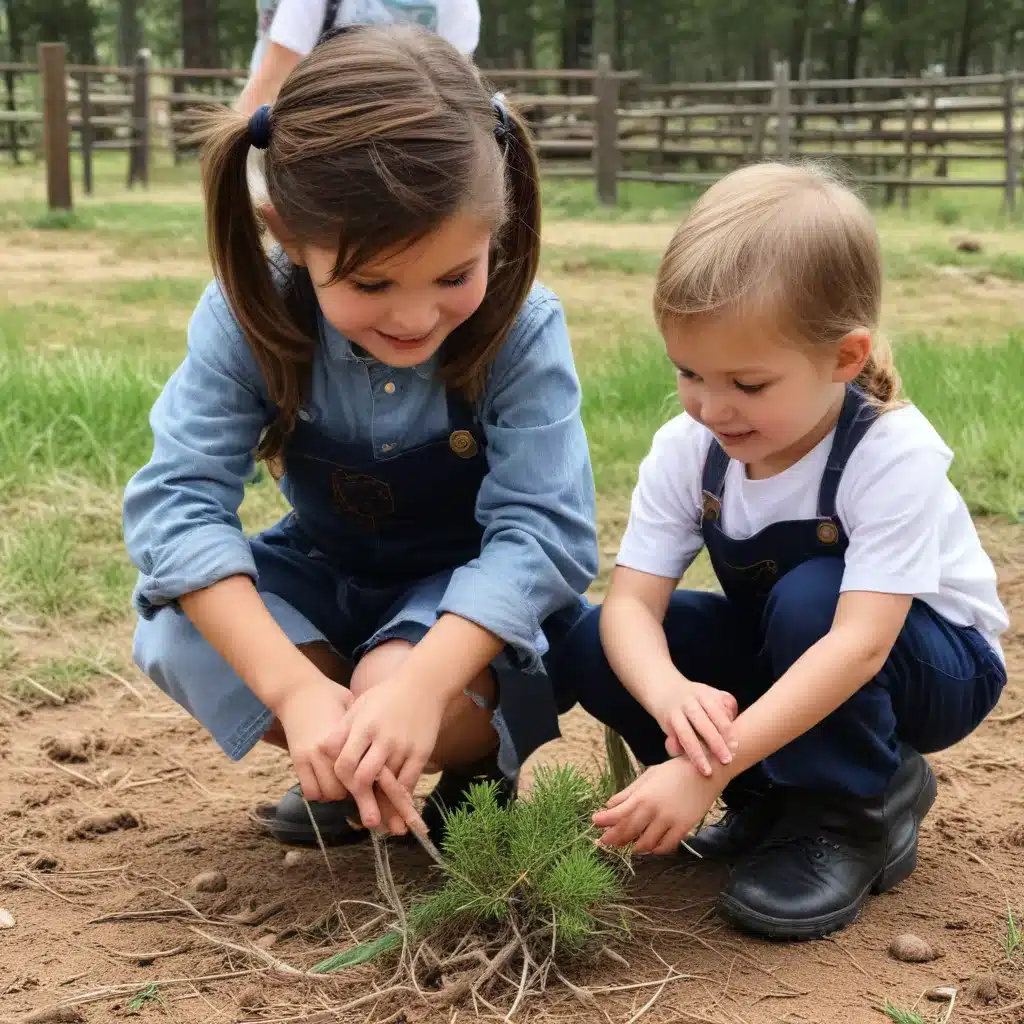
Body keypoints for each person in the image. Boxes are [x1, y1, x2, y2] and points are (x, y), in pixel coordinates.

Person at [123, 24, 597, 849]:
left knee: (398, 677)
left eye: (455, 276)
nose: (415, 317)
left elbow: (543, 535)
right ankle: (351, 755)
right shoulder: (247, 316)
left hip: (460, 600)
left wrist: (416, 690)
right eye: (370, 282)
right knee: (177, 629)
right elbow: (175, 509)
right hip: (323, 569)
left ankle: (470, 761)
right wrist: (297, 697)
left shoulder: (523, 330)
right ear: (288, 234)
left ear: (499, 220)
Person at [560, 162, 1008, 940]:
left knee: (812, 598)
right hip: (796, 643)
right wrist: (671, 697)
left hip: (932, 666)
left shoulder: (888, 452)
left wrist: (707, 765)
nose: (711, 405)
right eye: (688, 372)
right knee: (595, 640)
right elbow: (632, 603)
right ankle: (769, 800)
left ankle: (848, 814)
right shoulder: (689, 449)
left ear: (844, 357)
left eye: (749, 383)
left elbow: (860, 647)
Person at [241, 0, 481, 117]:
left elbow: (458, 86)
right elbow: (271, 84)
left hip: (410, 132)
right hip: (318, 125)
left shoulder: (457, 4)